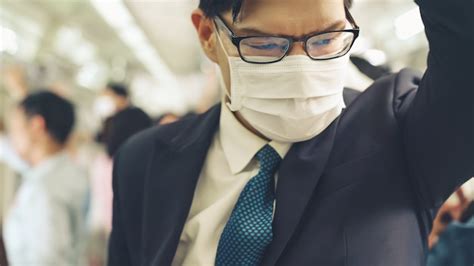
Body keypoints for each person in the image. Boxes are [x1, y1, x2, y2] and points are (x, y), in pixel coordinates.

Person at [108, 0, 474, 265]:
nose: (302, 67)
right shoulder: (142, 161)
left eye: (326, 39)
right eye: (265, 45)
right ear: (208, 36)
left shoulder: (402, 132)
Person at [3, 91, 89, 266]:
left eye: (15, 127)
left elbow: (47, 261)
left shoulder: (43, 189)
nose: (11, 137)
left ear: (36, 126)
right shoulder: (69, 173)